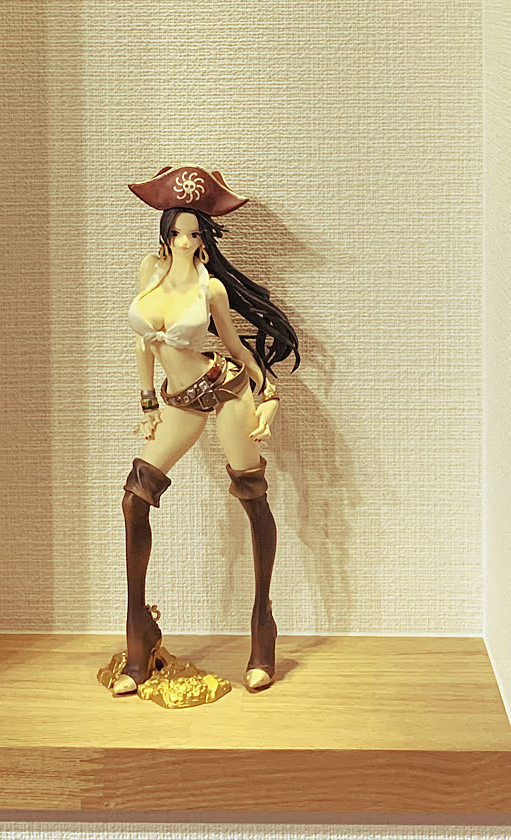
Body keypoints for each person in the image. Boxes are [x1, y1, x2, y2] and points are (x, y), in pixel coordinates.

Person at [114, 165, 301, 695]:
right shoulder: (149, 272)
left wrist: (267, 392)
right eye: (177, 231)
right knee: (134, 499)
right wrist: (147, 400)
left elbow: (236, 346)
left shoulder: (210, 287)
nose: (184, 241)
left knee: (252, 497)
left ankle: (262, 627)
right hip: (178, 402)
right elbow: (143, 342)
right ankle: (139, 635)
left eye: (194, 234)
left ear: (205, 238)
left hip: (224, 390)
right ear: (165, 231)